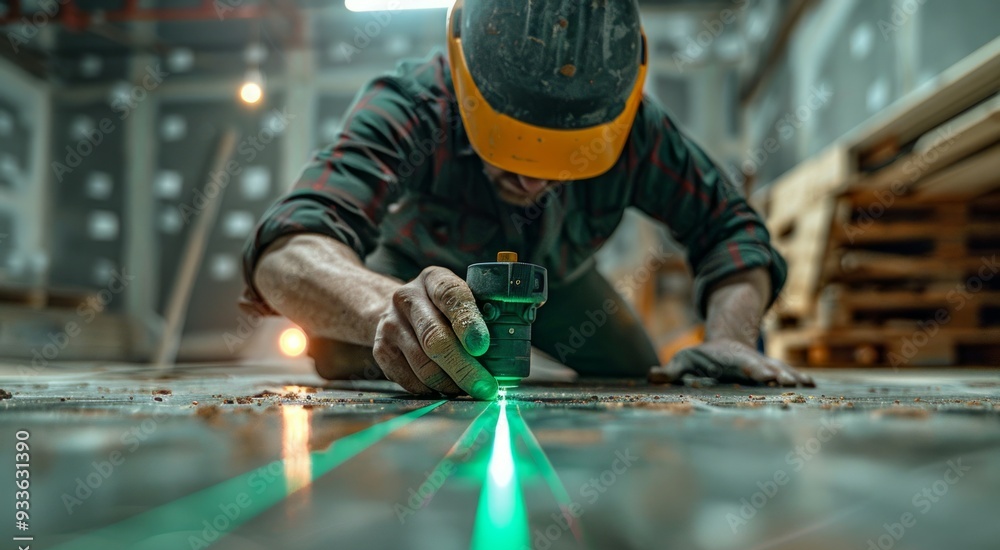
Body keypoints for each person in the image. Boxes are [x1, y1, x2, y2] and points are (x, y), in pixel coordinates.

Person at [241, 0, 814, 401]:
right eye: (511, 157)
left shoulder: (637, 130)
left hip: (560, 284)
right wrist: (381, 309)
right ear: (465, 93)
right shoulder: (414, 104)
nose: (535, 185)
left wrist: (730, 338)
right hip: (415, 281)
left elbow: (731, 227)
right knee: (342, 348)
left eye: (564, 165)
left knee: (638, 376)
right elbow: (288, 248)